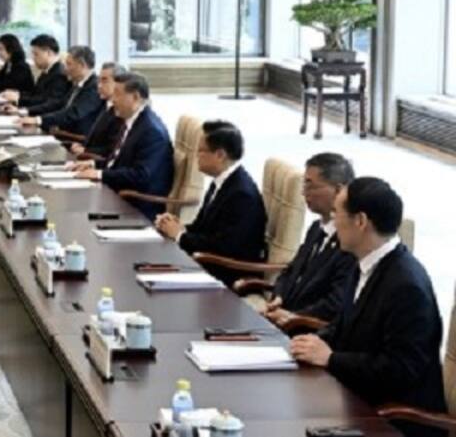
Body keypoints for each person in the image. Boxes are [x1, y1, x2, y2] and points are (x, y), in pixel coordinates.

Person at [289, 178, 446, 437]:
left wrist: (331, 358)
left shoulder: (407, 286)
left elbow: (400, 369)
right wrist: (309, 342)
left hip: (393, 419)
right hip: (354, 399)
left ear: (360, 221)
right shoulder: (361, 262)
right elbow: (344, 326)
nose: (333, 219)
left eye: (337, 213)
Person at [154, 121, 267, 287]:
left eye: (201, 151)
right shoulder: (221, 182)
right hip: (207, 262)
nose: (196, 156)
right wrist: (175, 225)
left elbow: (225, 248)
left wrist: (180, 235)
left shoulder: (242, 194)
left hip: (226, 274)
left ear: (220, 155)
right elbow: (203, 228)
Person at [262, 153, 357, 326]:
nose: (304, 192)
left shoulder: (350, 243)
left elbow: (335, 304)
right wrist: (279, 297)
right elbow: (290, 271)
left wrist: (292, 316)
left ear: (338, 190)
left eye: (310, 186)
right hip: (282, 320)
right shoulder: (316, 228)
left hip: (307, 332)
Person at [70, 72, 173, 220]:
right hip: (118, 193)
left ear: (136, 97)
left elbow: (140, 175)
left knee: (77, 214)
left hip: (136, 205)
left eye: (117, 94)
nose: (112, 100)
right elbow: (119, 161)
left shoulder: (151, 131)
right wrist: (93, 164)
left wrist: (100, 174)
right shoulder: (131, 121)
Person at [21, 46, 103, 137]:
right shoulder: (77, 84)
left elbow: (73, 113)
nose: (65, 69)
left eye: (69, 64)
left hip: (75, 140)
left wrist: (38, 120)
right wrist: (29, 113)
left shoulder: (94, 87)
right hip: (60, 132)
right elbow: (59, 104)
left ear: (82, 65)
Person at [66, 62, 126, 161]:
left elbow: (112, 149)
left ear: (118, 83)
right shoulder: (105, 105)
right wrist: (81, 145)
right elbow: (96, 139)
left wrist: (86, 150)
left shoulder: (121, 112)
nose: (99, 86)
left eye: (104, 81)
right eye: (99, 81)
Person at [2, 35, 70, 115]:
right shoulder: (48, 70)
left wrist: (20, 102)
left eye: (36, 54)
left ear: (49, 53)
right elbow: (36, 94)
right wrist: (17, 94)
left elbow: (51, 103)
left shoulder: (59, 74)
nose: (33, 58)